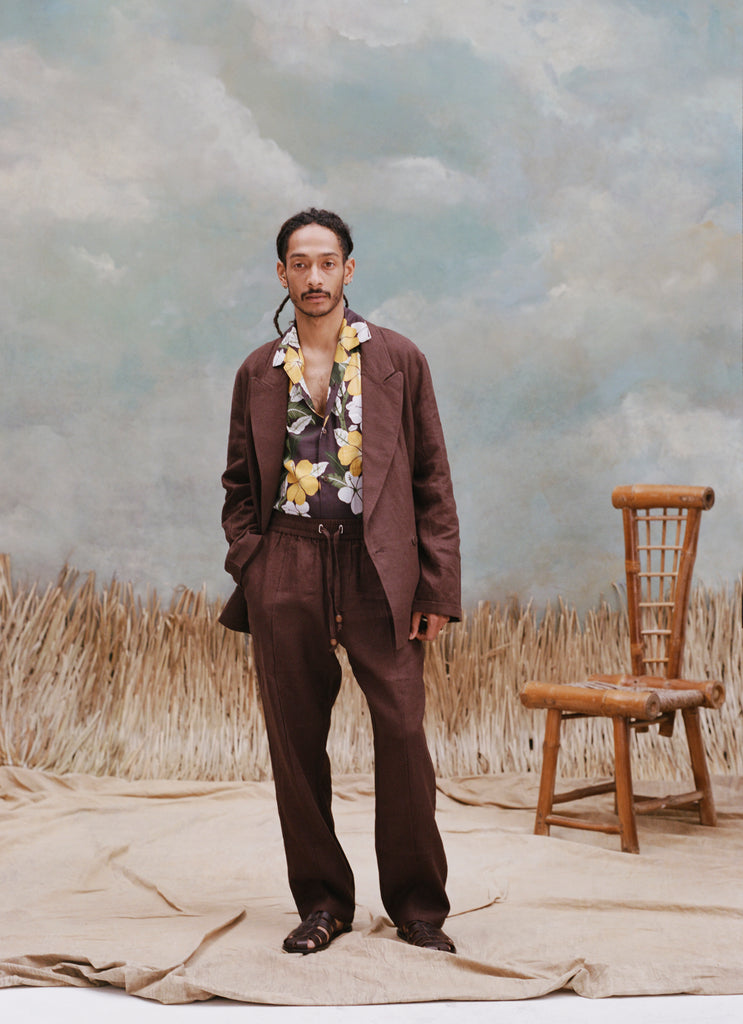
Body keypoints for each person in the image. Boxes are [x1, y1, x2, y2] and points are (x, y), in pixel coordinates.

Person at [219, 208, 461, 956]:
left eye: (328, 263)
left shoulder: (397, 359)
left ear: (348, 271)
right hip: (285, 561)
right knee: (295, 740)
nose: (315, 277)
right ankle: (322, 903)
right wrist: (252, 562)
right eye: (300, 263)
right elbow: (237, 485)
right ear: (283, 275)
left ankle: (419, 909)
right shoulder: (258, 371)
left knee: (401, 732)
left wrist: (434, 589)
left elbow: (431, 482)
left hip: (376, 564)